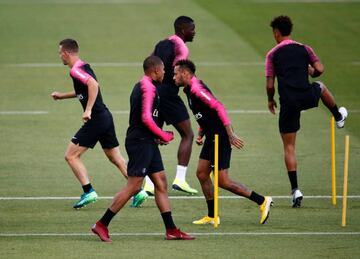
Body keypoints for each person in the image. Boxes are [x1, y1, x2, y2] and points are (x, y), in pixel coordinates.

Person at [91, 56, 195, 242]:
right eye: (163, 70)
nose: (166, 73)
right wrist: (162, 135)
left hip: (148, 141)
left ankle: (171, 229)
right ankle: (101, 224)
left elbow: (143, 119)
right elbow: (146, 118)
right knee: (134, 186)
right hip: (140, 143)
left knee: (161, 183)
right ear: (155, 71)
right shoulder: (147, 87)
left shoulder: (148, 86)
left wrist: (156, 136)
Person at [173, 59, 273, 225]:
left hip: (221, 136)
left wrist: (230, 134)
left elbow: (218, 107)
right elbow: (205, 113)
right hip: (212, 136)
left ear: (185, 73)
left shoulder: (197, 89)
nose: (174, 77)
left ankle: (262, 201)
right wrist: (201, 133)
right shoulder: (189, 90)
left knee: (223, 181)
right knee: (202, 173)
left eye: (176, 73)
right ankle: (212, 215)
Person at [51, 38, 148, 209]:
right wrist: (62, 95)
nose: (60, 56)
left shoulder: (76, 71)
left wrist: (88, 109)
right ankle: (138, 191)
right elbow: (84, 89)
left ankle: (88, 191)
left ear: (66, 53)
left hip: (96, 119)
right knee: (115, 158)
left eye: (60, 53)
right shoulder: (82, 66)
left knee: (71, 155)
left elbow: (93, 85)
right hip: (105, 117)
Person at [265, 16, 348, 208]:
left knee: (289, 147)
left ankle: (295, 190)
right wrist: (311, 72)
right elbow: (320, 69)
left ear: (277, 32)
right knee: (320, 86)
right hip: (306, 95)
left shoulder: (272, 54)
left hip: (288, 103)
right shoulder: (304, 48)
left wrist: (270, 99)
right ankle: (338, 116)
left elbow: (270, 84)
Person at [143, 16, 197, 195]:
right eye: (191, 28)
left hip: (154, 93)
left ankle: (149, 184)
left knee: (153, 138)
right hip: (168, 94)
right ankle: (180, 179)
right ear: (182, 29)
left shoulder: (161, 43)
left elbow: (150, 62)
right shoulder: (181, 47)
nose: (194, 32)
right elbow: (178, 74)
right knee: (188, 134)